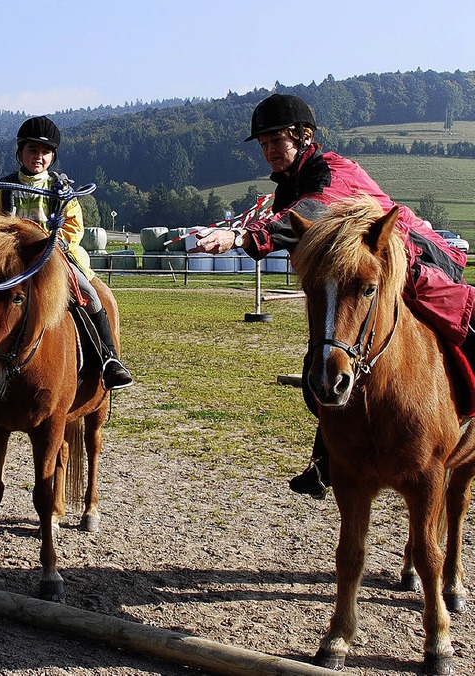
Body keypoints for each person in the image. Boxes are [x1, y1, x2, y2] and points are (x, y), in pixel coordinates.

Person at [192, 93, 475, 499]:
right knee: (324, 361)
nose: (270, 151)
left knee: (465, 320)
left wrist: (241, 236)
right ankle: (329, 454)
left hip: (412, 264)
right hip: (360, 277)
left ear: (304, 137)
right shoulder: (290, 184)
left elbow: (315, 211)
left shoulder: (330, 173)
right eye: (264, 144)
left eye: (277, 141)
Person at [0, 115, 133, 395]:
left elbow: (74, 227)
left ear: (52, 156)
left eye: (45, 152)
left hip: (56, 256)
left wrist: (54, 241)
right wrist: (4, 244)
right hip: (14, 262)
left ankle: (109, 359)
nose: (38, 157)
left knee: (90, 294)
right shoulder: (2, 190)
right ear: (20, 152)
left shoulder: (61, 191)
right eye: (32, 150)